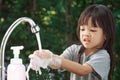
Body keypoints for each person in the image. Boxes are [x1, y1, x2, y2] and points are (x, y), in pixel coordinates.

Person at [29, 4, 116, 80]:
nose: (86, 34)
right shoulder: (74, 50)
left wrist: (52, 57)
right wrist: (45, 59)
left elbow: (82, 70)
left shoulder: (103, 56)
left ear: (106, 34)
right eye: (82, 29)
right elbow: (58, 64)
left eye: (92, 30)